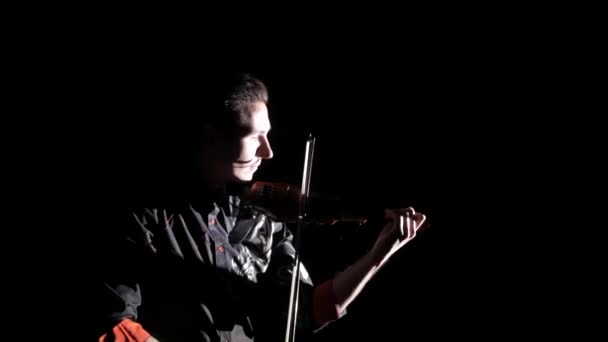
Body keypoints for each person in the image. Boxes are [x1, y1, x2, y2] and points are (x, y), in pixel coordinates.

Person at [92, 72, 427, 342]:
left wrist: (378, 254)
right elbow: (110, 322)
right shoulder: (146, 217)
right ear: (211, 138)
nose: (268, 152)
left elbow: (308, 310)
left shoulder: (262, 223)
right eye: (256, 136)